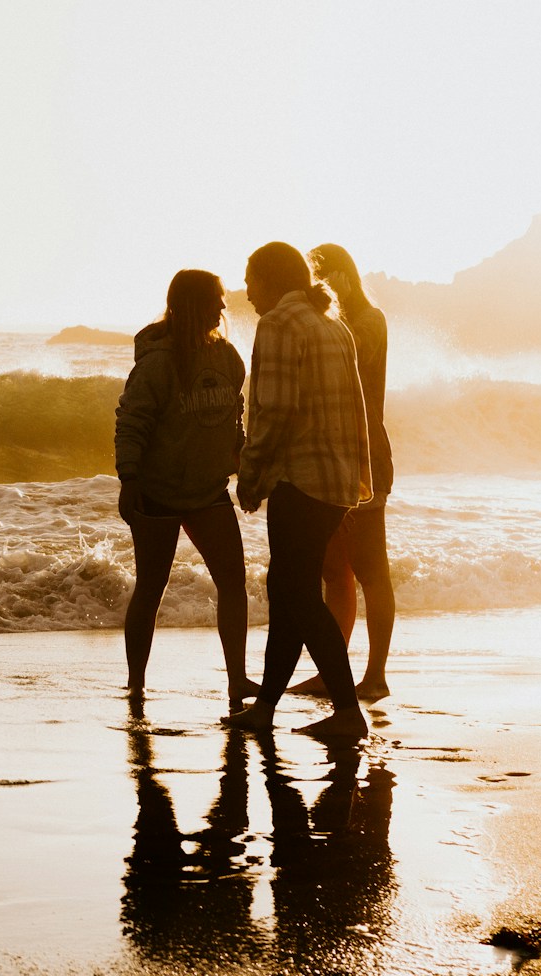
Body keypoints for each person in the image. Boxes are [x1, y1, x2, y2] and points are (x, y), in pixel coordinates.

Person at [223, 242, 372, 739]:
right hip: (334, 481)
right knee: (289, 589)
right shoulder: (333, 324)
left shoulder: (280, 324)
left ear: (271, 278)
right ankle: (266, 705)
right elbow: (357, 410)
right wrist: (359, 475)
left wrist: (251, 475)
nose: (247, 292)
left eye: (251, 279)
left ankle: (349, 713)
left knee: (295, 593)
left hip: (300, 479)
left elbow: (277, 409)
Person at [113, 269, 256, 704]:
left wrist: (242, 460)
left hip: (209, 491)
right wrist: (129, 479)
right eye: (215, 299)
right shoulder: (157, 363)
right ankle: (136, 683)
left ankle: (237, 679)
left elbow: (236, 414)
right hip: (156, 491)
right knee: (151, 587)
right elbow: (131, 421)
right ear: (192, 304)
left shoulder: (228, 357)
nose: (222, 307)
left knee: (234, 582)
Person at [294, 243, 396, 702]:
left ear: (342, 276)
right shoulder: (327, 322)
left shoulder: (367, 322)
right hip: (329, 457)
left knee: (371, 570)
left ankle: (375, 675)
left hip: (366, 458)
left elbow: (347, 362)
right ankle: (332, 671)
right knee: (335, 571)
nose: (315, 288)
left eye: (322, 277)